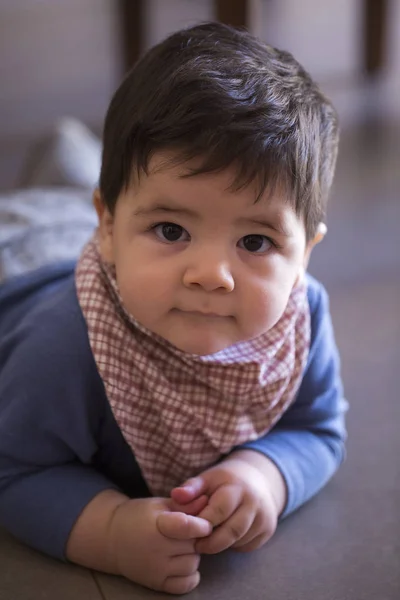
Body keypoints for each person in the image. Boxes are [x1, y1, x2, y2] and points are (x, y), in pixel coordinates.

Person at [0, 22, 347, 595]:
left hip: (86, 224)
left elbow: (317, 427)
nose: (210, 275)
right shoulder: (64, 344)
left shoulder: (301, 321)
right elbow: (16, 469)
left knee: (89, 182)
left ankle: (75, 159)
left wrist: (264, 475)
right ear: (107, 227)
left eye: (255, 243)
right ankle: (67, 158)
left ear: (306, 252)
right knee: (35, 210)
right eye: (172, 229)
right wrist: (109, 531)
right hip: (23, 257)